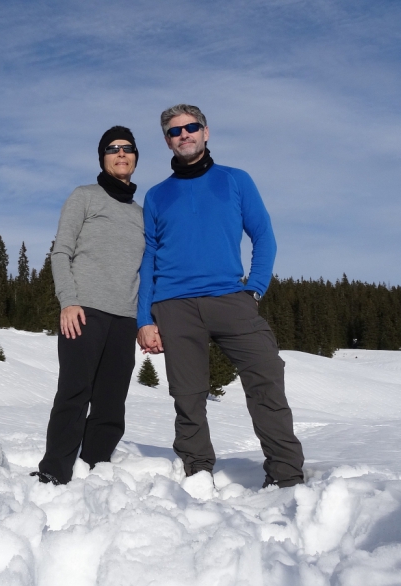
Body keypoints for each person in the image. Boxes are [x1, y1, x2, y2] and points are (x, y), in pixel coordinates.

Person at [136, 104, 305, 488]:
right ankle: (197, 472)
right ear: (167, 140)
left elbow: (263, 236)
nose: (184, 135)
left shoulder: (235, 180)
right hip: (174, 305)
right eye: (175, 131)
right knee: (188, 394)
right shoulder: (158, 196)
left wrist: (255, 289)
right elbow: (148, 258)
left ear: (206, 132)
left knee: (266, 377)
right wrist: (144, 318)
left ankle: (285, 475)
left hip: (231, 299)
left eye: (191, 127)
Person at [33, 126, 145, 485]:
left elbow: (146, 271)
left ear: (135, 157)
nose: (121, 153)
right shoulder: (85, 197)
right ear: (103, 158)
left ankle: (95, 468)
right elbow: (61, 252)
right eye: (113, 149)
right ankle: (55, 471)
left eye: (127, 148)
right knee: (74, 392)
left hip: (125, 317)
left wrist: (145, 319)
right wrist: (68, 301)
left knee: (112, 402)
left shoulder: (142, 215)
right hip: (84, 312)